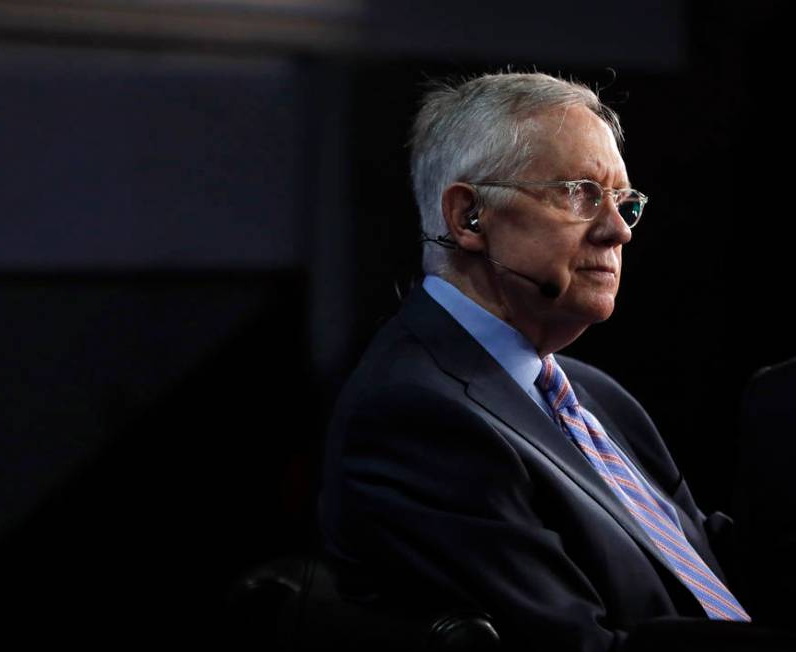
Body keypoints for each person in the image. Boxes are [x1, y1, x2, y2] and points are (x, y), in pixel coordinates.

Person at [317, 72, 756, 652]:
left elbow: (705, 561)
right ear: (469, 217)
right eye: (581, 192)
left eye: (624, 202)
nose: (618, 230)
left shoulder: (595, 395)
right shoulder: (417, 416)